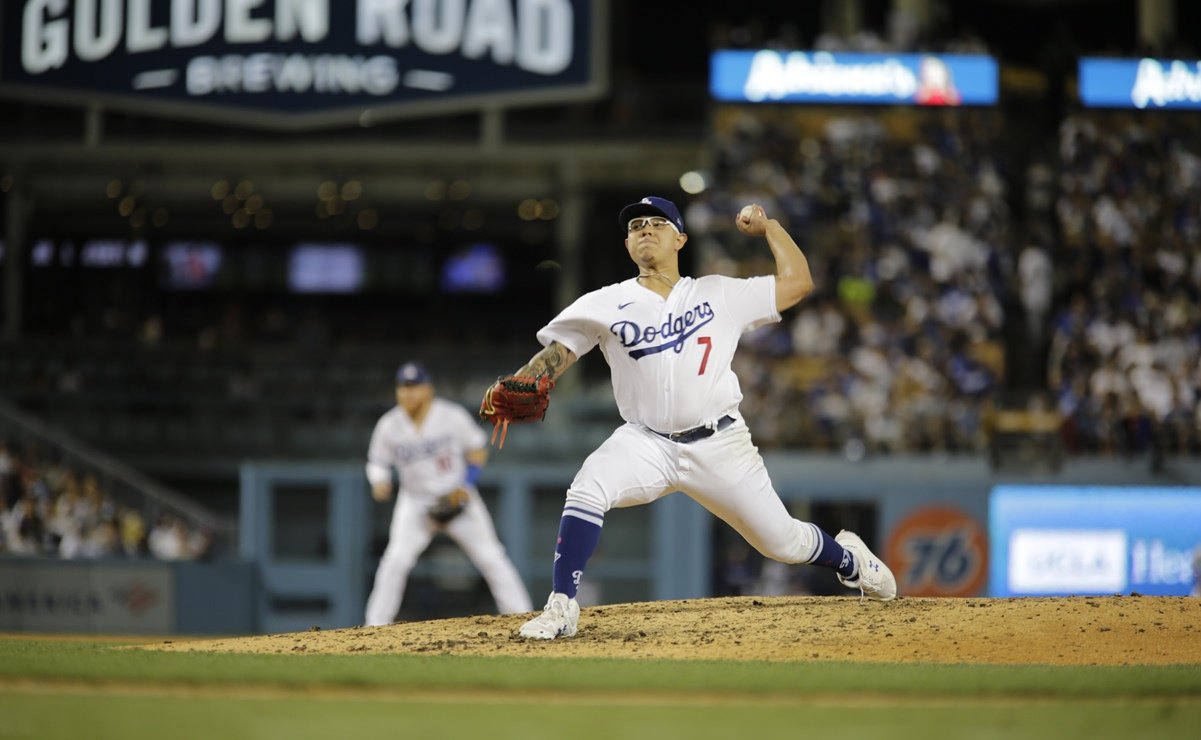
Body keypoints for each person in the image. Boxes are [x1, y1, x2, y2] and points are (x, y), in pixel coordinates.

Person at [483, 196, 896, 640]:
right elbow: (558, 353)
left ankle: (850, 560)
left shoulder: (718, 293)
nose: (645, 229)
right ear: (627, 244)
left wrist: (771, 228)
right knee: (588, 486)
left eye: (657, 223)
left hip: (720, 443)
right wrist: (525, 379)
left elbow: (798, 282)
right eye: (636, 225)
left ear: (680, 239)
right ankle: (562, 606)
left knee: (783, 543)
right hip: (646, 442)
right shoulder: (605, 302)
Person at [364, 361, 532, 626]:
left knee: (491, 558)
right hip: (416, 503)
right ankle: (374, 626)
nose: (408, 393)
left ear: (428, 389)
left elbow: (477, 450)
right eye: (403, 387)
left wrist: (465, 485)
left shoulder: (451, 416)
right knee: (395, 561)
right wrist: (379, 480)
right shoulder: (389, 425)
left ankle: (522, 616)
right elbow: (377, 462)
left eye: (414, 386)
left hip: (457, 497)